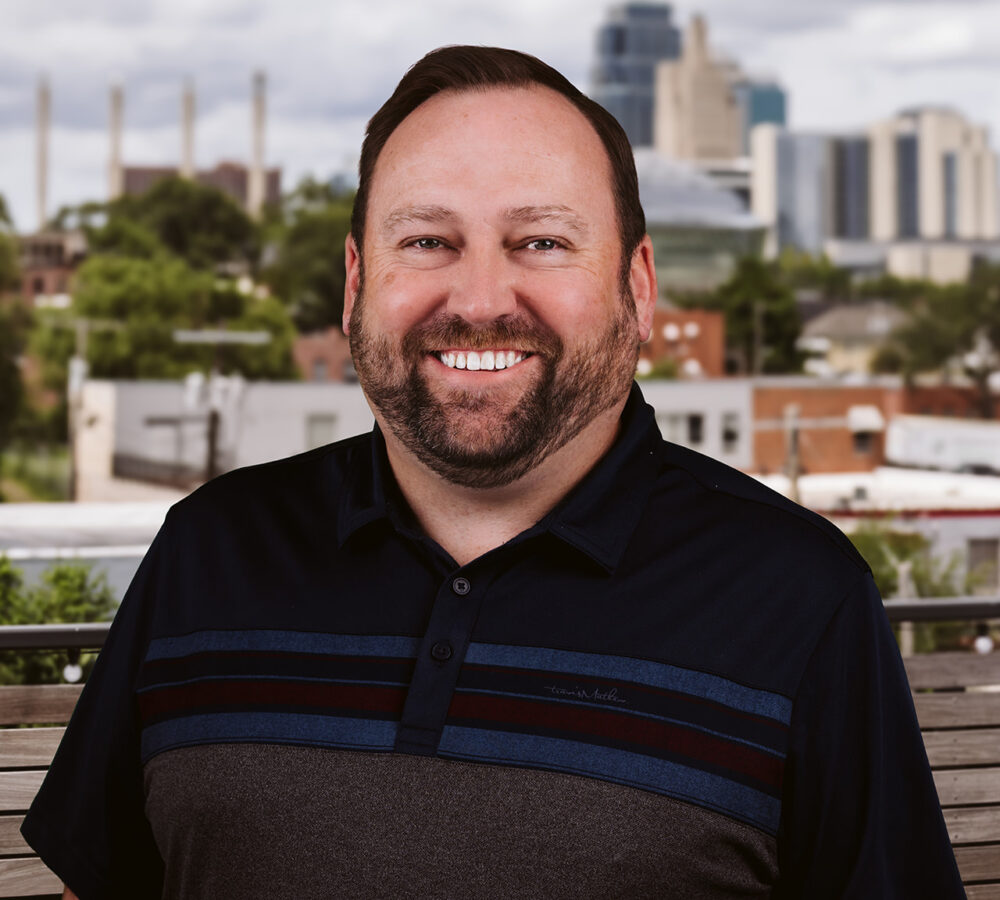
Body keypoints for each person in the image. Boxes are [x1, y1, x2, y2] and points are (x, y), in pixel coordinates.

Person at [24, 46, 965, 899]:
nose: (479, 300)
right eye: (428, 240)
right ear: (356, 282)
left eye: (541, 242)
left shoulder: (802, 598)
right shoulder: (209, 550)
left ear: (637, 288)